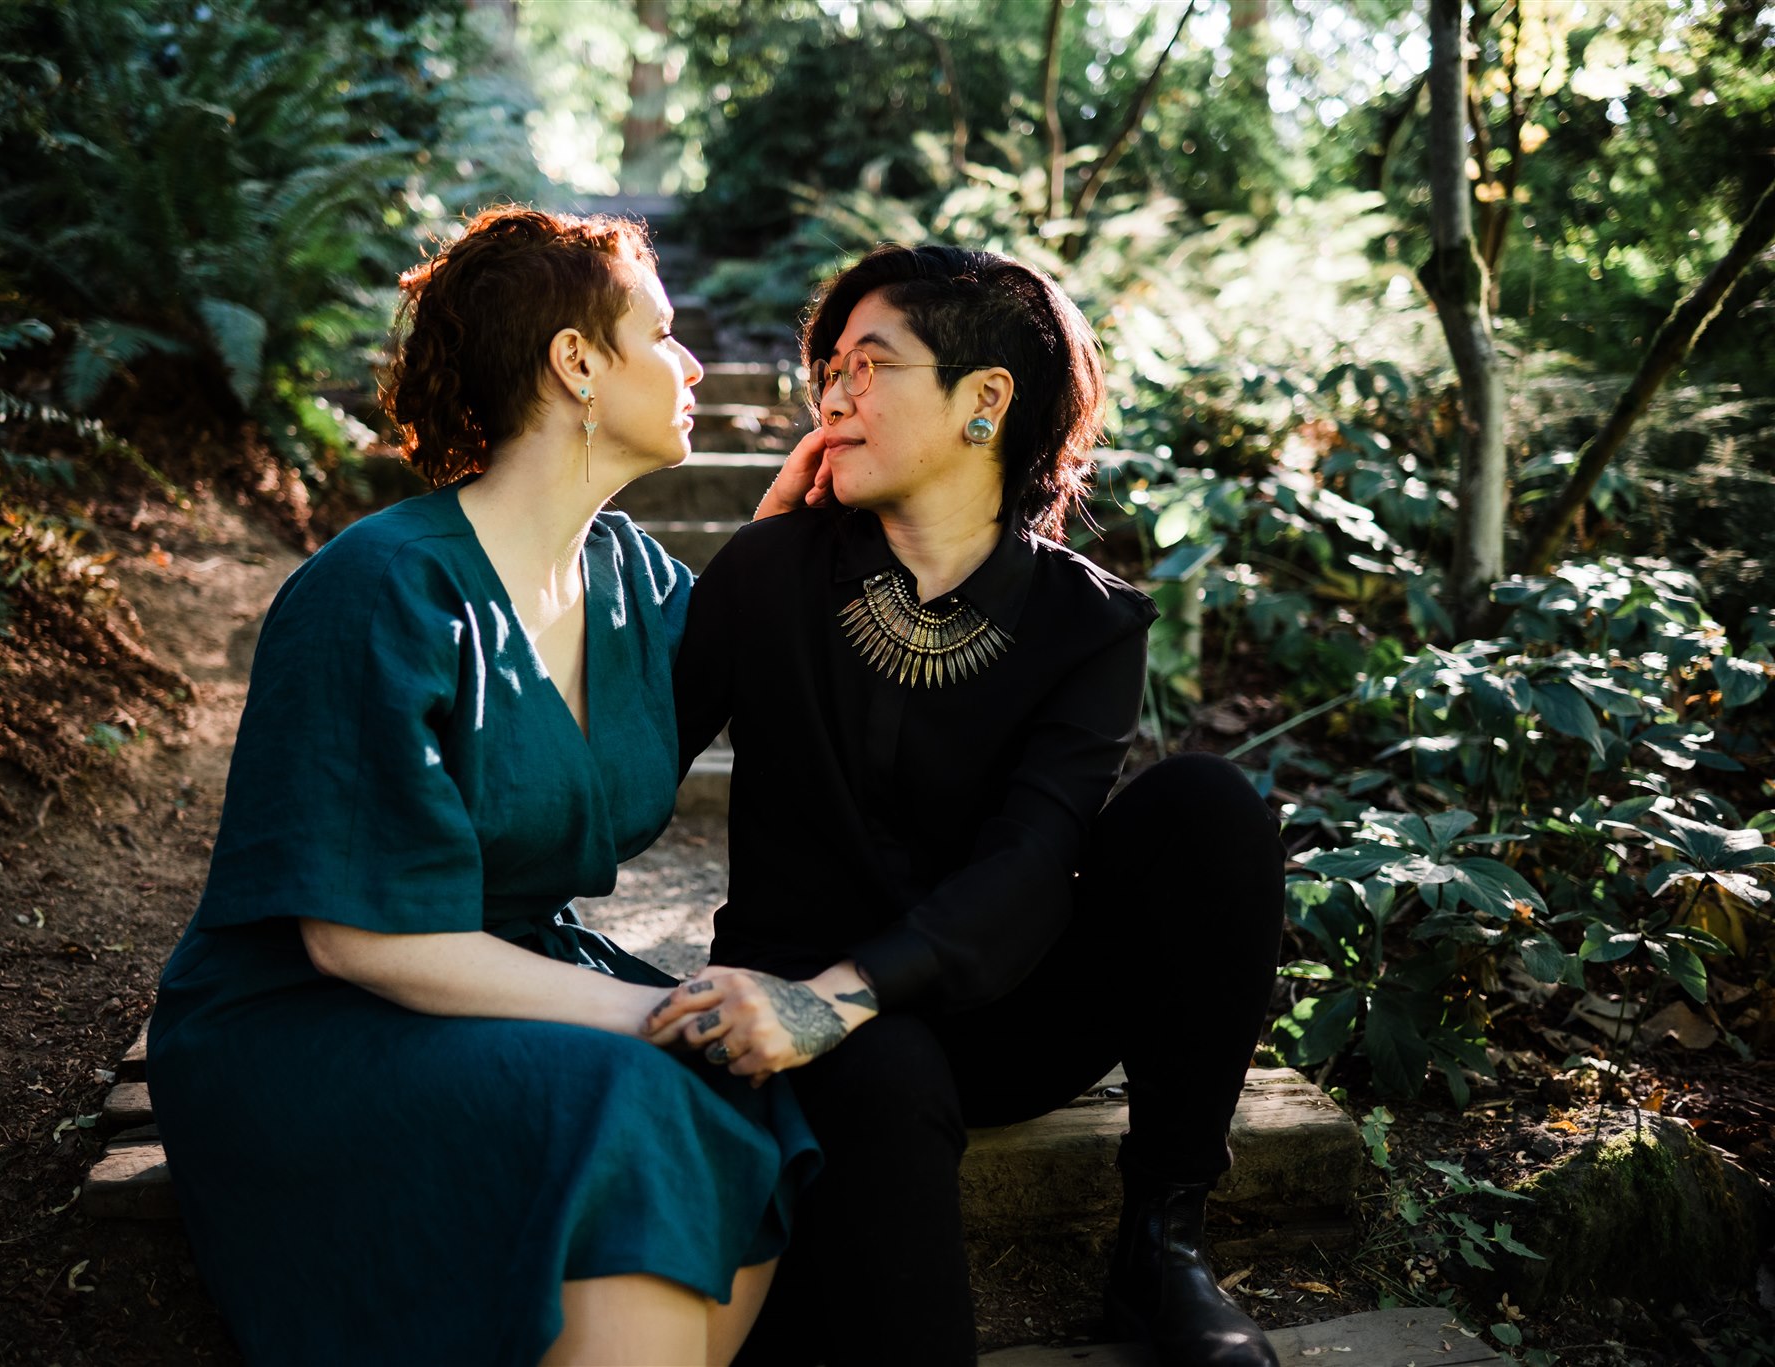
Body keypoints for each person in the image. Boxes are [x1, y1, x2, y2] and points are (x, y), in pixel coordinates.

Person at [147, 206, 818, 1367]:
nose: (693, 362)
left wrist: (788, 537)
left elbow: (744, 654)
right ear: (576, 363)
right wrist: (656, 1013)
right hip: (309, 1015)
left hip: (516, 978)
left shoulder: (638, 582)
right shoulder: (379, 588)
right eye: (660, 335)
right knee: (640, 1084)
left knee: (755, 1097)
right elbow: (363, 940)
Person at [649, 244, 1286, 1367]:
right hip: (809, 1009)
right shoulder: (769, 571)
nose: (832, 395)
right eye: (827, 369)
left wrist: (847, 995)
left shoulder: (1088, 622)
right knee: (879, 1070)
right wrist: (744, 563)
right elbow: (636, 770)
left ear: (983, 398)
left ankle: (1161, 1242)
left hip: (1005, 1009)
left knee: (1207, 806)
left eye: (869, 364)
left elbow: (1037, 856)